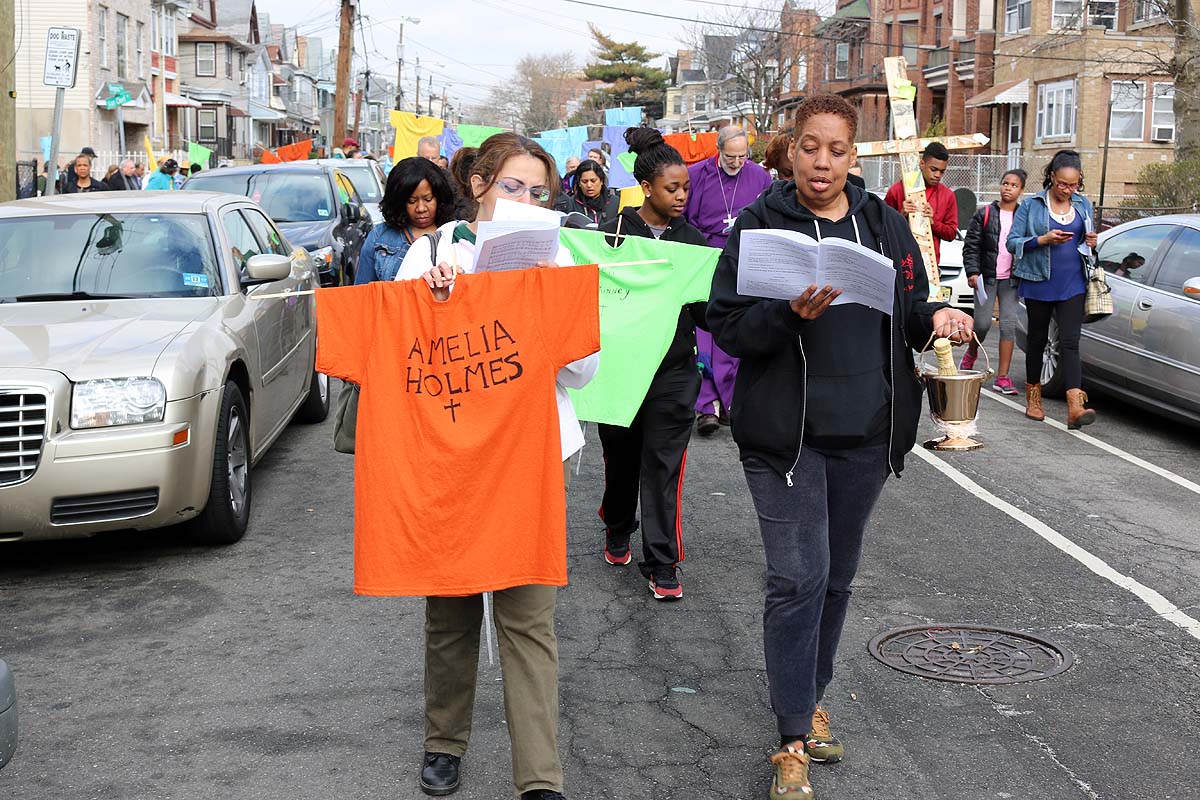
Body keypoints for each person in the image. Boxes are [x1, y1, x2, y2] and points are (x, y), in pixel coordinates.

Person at [706, 93, 972, 800]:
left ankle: (810, 696)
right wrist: (787, 313)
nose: (821, 161)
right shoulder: (758, 225)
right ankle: (791, 735)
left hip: (866, 435)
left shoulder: (883, 224)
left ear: (852, 157)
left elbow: (911, 310)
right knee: (797, 579)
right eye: (809, 146)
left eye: (836, 149)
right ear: (790, 150)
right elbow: (727, 328)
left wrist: (940, 315)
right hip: (784, 441)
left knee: (836, 580)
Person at [396, 132, 596, 800]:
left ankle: (539, 777)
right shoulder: (429, 252)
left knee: (527, 618)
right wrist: (442, 301)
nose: (527, 201)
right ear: (480, 184)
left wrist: (537, 302)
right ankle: (443, 743)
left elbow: (583, 369)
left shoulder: (559, 255)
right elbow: (405, 357)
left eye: (540, 193)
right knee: (450, 609)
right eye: (513, 187)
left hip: (535, 454)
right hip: (451, 457)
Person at [595, 127, 709, 600]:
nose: (682, 196)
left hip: (674, 373)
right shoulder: (613, 233)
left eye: (686, 187)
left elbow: (705, 312)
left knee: (663, 467)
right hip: (620, 372)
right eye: (672, 188)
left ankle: (662, 563)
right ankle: (617, 524)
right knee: (622, 464)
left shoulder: (693, 238)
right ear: (647, 188)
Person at [684, 124, 773, 435]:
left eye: (742, 156)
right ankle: (706, 407)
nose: (737, 163)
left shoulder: (760, 176)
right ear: (718, 151)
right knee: (705, 331)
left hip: (743, 257)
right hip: (705, 255)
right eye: (730, 156)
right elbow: (684, 217)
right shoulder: (696, 175)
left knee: (736, 325)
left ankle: (731, 401)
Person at [1007, 149, 1098, 429]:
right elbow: (1012, 243)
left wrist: (1093, 242)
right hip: (1038, 281)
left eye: (1073, 185)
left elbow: (1086, 243)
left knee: (1070, 342)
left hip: (1073, 282)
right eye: (1062, 184)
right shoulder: (1031, 205)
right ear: (1051, 177)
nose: (1068, 190)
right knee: (1037, 340)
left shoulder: (1083, 205)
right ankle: (1034, 397)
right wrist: (1042, 239)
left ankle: (1075, 407)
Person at [960, 169, 1026, 394]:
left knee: (1008, 326)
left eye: (1013, 185)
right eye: (1005, 183)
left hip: (1011, 280)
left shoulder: (1024, 216)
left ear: (1021, 191)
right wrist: (973, 271)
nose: (1008, 188)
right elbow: (971, 246)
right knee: (982, 324)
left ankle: (1003, 377)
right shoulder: (985, 213)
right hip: (986, 278)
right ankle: (971, 353)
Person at [354, 157, 455, 284]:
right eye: (411, 201)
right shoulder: (379, 238)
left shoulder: (454, 235)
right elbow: (362, 293)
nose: (421, 208)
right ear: (399, 203)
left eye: (428, 199)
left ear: (440, 198)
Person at [884, 141, 957, 263]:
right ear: (922, 164)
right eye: (933, 169)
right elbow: (881, 225)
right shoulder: (897, 190)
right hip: (899, 260)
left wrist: (933, 222)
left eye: (942, 171)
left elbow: (951, 233)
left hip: (930, 264)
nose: (937, 175)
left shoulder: (948, 195)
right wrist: (901, 215)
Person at [554, 159, 618, 226]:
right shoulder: (572, 204)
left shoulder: (615, 202)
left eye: (593, 181)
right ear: (579, 183)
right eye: (584, 181)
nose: (589, 185)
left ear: (601, 181)